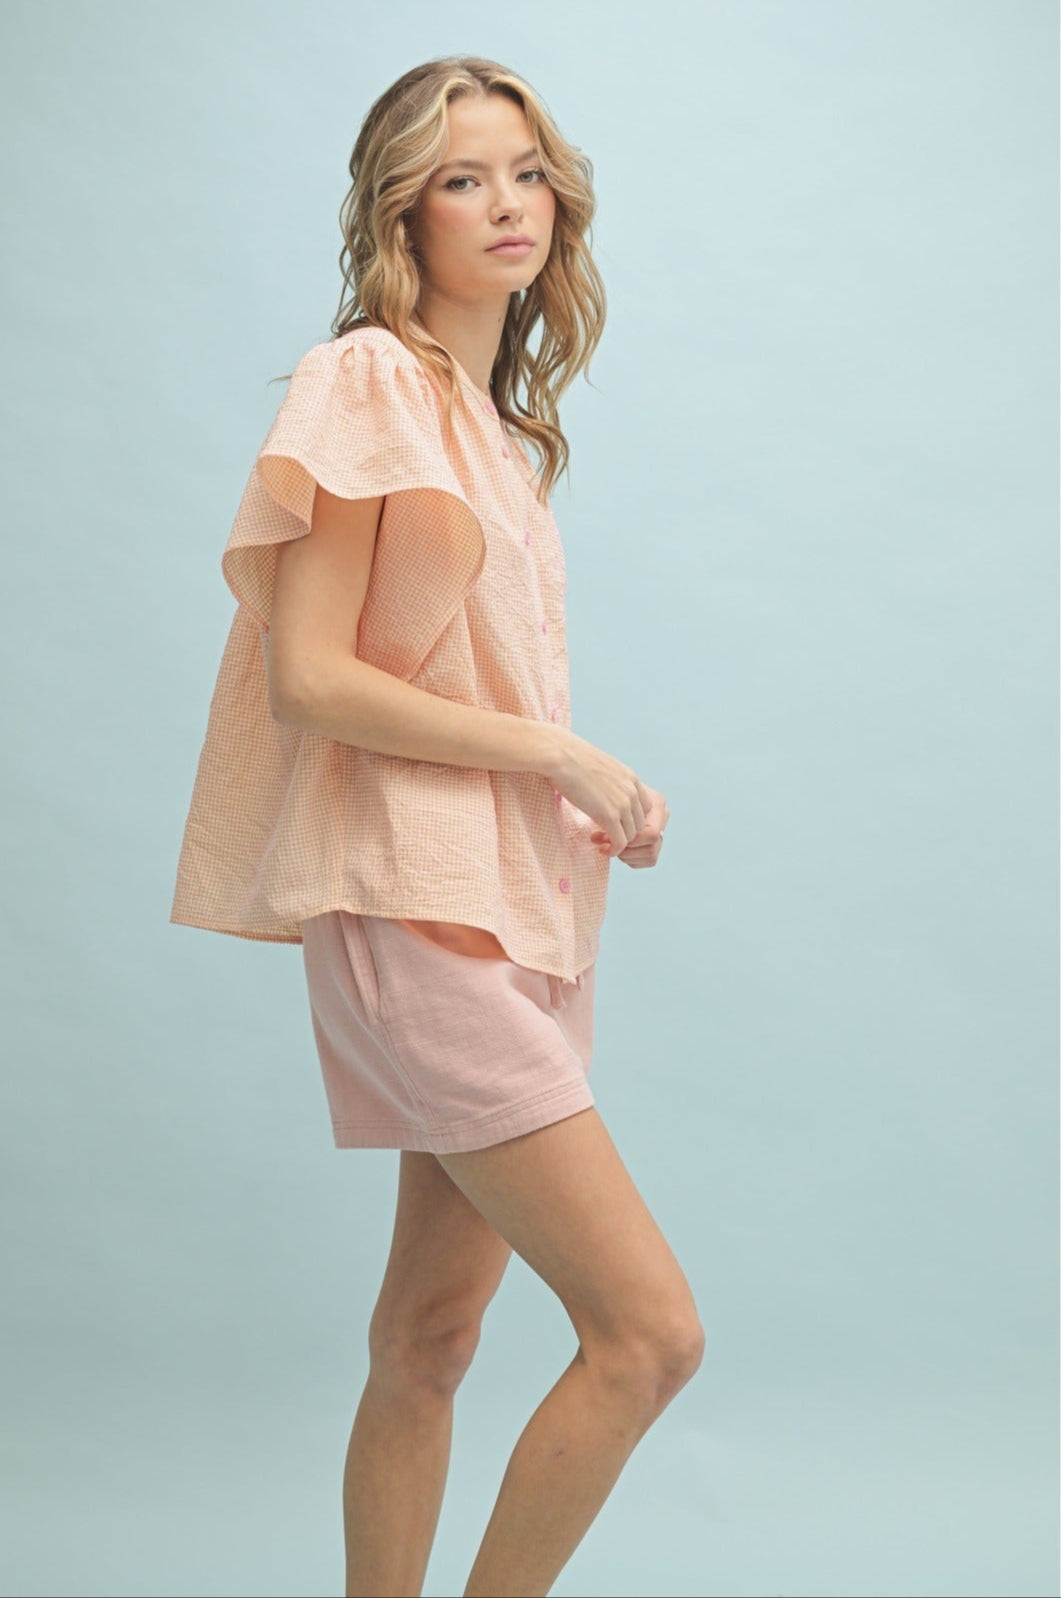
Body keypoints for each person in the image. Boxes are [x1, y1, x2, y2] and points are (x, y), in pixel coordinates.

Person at [170, 53, 705, 1598]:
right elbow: (312, 676)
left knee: (428, 1334)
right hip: (414, 911)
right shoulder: (370, 381)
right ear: (402, 211)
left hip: (516, 907)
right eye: (463, 178)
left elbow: (460, 674)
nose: (506, 203)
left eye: (526, 172)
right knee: (647, 1332)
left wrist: (581, 792)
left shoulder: (490, 425)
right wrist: (558, 751)